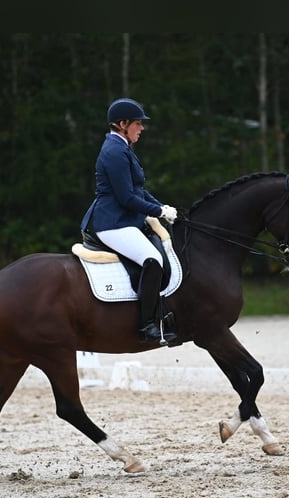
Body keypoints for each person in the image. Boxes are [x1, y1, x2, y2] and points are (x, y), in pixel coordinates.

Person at [80, 97, 178, 344]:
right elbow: (126, 198)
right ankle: (147, 326)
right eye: (137, 123)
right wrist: (158, 212)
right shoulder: (114, 151)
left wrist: (161, 206)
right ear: (122, 124)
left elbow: (139, 189)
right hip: (112, 222)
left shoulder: (123, 147)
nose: (141, 128)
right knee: (152, 260)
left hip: (124, 219)